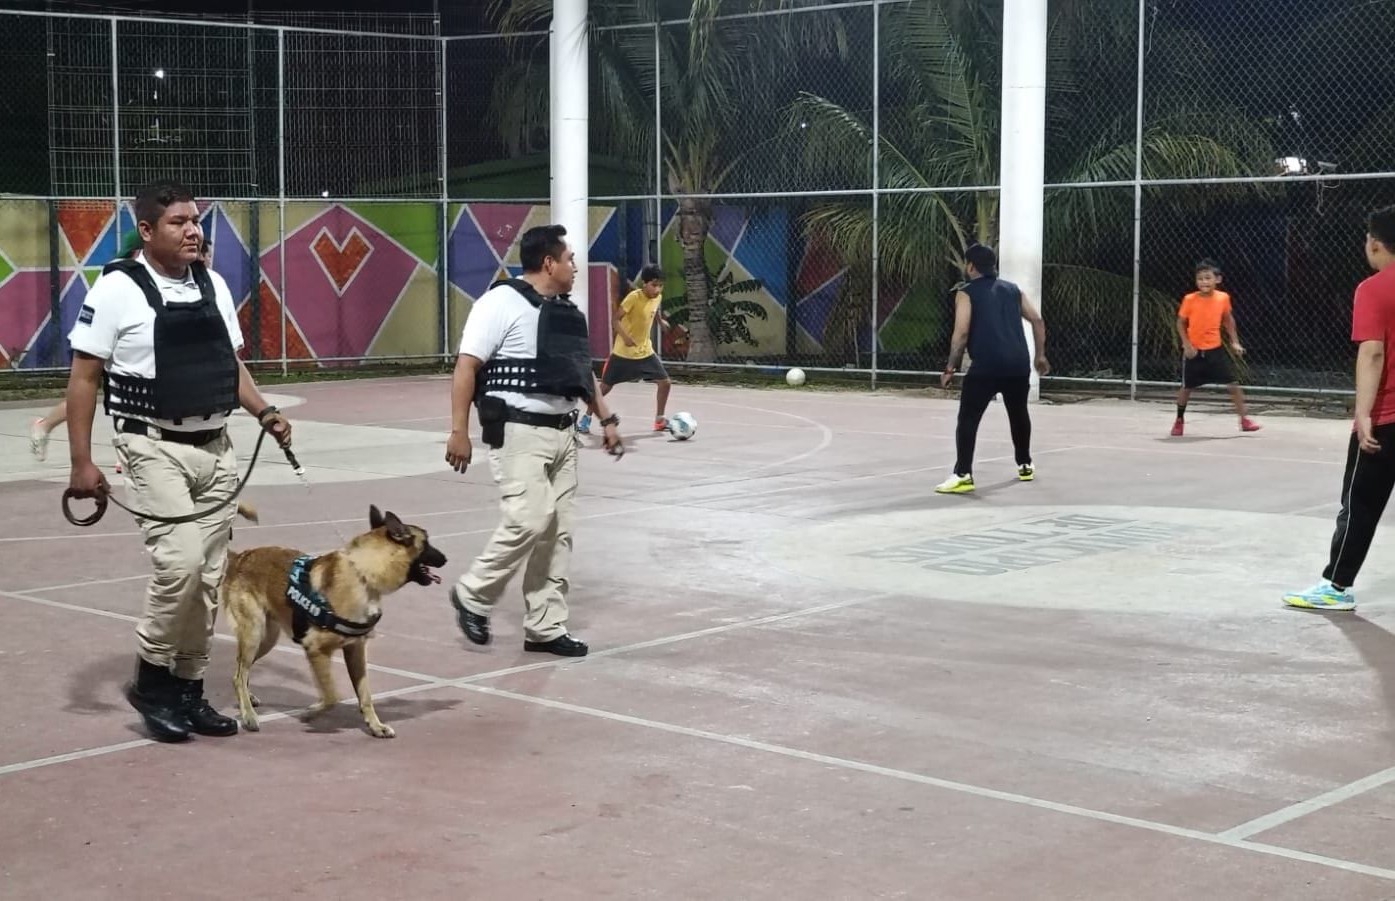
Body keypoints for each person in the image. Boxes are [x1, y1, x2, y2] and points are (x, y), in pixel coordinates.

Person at [64, 178, 292, 742]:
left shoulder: (213, 284)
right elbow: (84, 378)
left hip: (216, 448)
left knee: (211, 578)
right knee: (181, 566)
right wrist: (81, 463)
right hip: (151, 447)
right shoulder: (116, 289)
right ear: (146, 231)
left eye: (196, 220)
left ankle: (189, 689)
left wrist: (264, 411)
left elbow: (230, 365)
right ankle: (152, 682)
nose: (193, 230)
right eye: (178, 222)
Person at [444, 224, 624, 658]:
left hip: (564, 434)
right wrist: (459, 431)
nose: (575, 267)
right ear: (549, 263)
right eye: (569, 259)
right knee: (529, 518)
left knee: (557, 534)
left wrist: (606, 419)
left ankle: (545, 627)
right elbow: (467, 366)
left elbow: (580, 373)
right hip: (518, 432)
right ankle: (473, 593)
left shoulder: (566, 312)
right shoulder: (499, 303)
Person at [1283, 206, 1395, 611]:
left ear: (1375, 244)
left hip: (1386, 417)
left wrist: (1363, 414)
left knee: (1360, 503)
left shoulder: (1373, 289)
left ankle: (1336, 585)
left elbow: (1373, 353)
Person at [935, 243, 1050, 495]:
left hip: (986, 365)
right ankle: (1025, 464)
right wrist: (1040, 355)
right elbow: (1037, 320)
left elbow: (961, 333)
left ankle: (963, 474)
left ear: (971, 266)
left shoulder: (966, 292)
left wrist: (950, 367)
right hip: (1018, 364)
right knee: (1018, 413)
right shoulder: (1013, 290)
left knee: (968, 418)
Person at [29, 230, 146, 462]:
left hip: (111, 344)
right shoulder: (122, 274)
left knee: (117, 396)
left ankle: (44, 425)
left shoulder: (128, 272)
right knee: (119, 394)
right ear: (138, 251)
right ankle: (45, 426)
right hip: (104, 344)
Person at [578, 265, 677, 434]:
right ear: (644, 283)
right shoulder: (633, 298)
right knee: (604, 388)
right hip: (623, 354)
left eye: (660, 285)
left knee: (665, 383)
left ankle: (659, 420)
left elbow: (654, 309)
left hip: (645, 352)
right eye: (654, 285)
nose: (657, 289)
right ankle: (586, 418)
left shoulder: (657, 297)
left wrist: (660, 322)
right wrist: (625, 337)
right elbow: (615, 319)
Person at [1170, 260, 1261, 436]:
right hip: (1194, 351)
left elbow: (1228, 319)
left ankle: (1244, 420)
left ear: (1217, 279)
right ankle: (1179, 420)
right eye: (1200, 279)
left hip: (1215, 350)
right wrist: (1186, 344)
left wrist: (1235, 341)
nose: (1204, 282)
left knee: (1233, 384)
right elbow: (1180, 322)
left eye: (1207, 278)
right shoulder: (1189, 299)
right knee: (1186, 388)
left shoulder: (1223, 298)